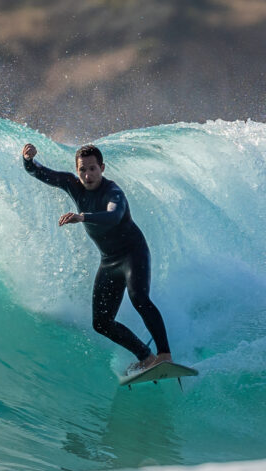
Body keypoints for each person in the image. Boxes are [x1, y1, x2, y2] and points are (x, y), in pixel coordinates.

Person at [21, 142, 172, 373]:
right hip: (109, 261)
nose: (87, 174)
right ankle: (146, 356)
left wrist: (83, 217)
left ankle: (164, 355)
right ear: (76, 169)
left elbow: (114, 216)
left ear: (102, 167)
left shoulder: (113, 192)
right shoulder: (72, 184)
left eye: (92, 169)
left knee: (139, 298)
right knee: (101, 323)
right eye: (82, 169)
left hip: (133, 253)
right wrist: (29, 161)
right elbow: (40, 173)